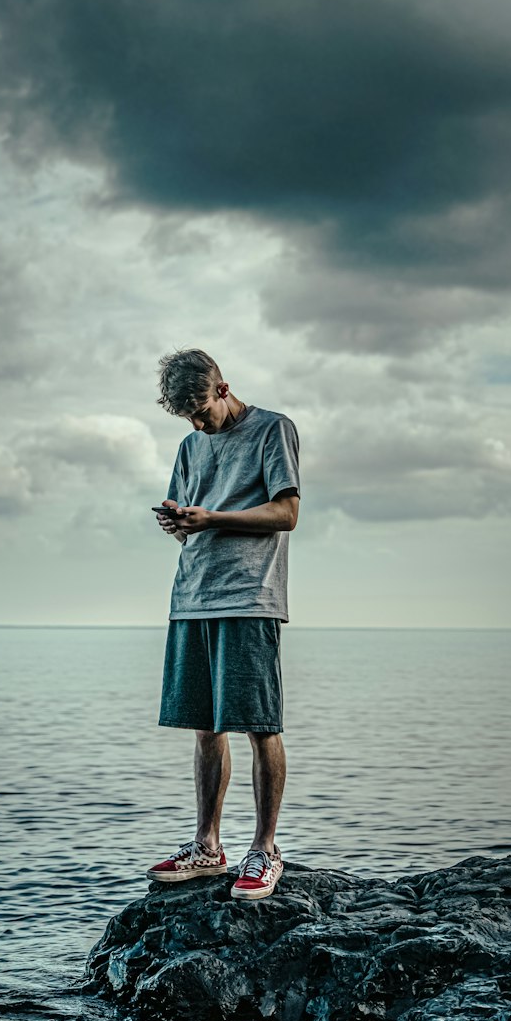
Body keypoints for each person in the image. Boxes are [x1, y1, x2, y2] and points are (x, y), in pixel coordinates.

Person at [147, 348, 301, 901]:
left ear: (223, 389)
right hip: (192, 595)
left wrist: (212, 518)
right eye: (185, 416)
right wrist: (180, 522)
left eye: (200, 412)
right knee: (205, 726)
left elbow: (287, 513)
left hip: (249, 596)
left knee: (261, 724)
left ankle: (265, 849)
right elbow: (191, 520)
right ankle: (207, 847)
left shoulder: (272, 431)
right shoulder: (190, 445)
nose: (195, 424)